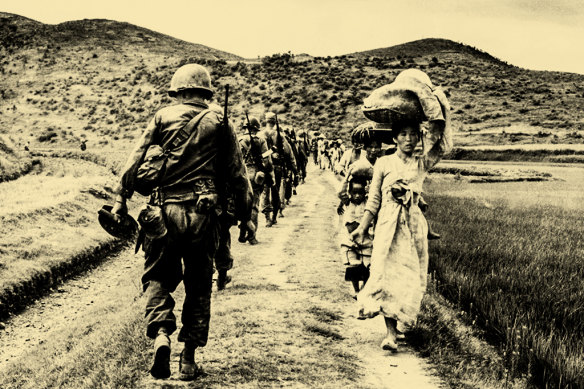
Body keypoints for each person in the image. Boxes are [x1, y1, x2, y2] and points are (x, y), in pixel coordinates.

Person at [111, 64, 250, 380]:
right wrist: (243, 216)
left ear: (179, 92)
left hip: (162, 214)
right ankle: (187, 360)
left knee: (159, 275)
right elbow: (238, 176)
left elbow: (135, 159)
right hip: (204, 215)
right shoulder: (220, 120)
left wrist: (120, 199)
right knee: (199, 285)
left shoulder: (162, 117)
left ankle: (161, 333)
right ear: (205, 93)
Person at [351, 103, 452, 352]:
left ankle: (402, 324)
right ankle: (390, 334)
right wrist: (363, 227)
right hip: (387, 226)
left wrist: (440, 111)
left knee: (408, 276)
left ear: (419, 137)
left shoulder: (421, 162)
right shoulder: (384, 163)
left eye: (413, 134)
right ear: (394, 138)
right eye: (403, 134)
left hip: (413, 226)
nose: (408, 139)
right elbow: (374, 198)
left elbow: (442, 145)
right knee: (386, 275)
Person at [238, 115, 273, 244]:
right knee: (253, 205)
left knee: (242, 204)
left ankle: (242, 231)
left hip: (241, 175)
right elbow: (267, 160)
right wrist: (268, 171)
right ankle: (252, 236)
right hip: (256, 175)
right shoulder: (261, 140)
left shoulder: (238, 139)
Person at [259, 112, 297, 227]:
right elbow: (288, 153)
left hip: (264, 167)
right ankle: (274, 217)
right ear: (274, 122)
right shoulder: (280, 136)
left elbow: (260, 154)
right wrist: (293, 169)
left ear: (266, 121)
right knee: (275, 192)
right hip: (277, 167)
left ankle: (267, 217)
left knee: (265, 192)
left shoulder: (260, 134)